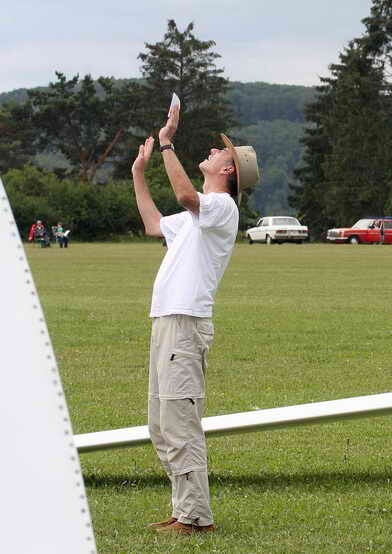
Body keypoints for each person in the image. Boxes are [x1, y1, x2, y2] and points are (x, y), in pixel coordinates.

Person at [131, 103, 258, 535]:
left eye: (221, 152)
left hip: (185, 324)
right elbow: (152, 224)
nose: (213, 150)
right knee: (162, 423)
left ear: (229, 171)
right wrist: (138, 173)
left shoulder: (220, 206)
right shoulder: (195, 217)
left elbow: (187, 194)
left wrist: (167, 142)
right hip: (169, 322)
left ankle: (196, 519)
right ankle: (183, 509)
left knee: (180, 422)